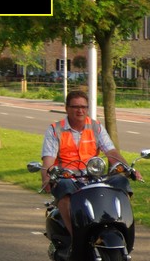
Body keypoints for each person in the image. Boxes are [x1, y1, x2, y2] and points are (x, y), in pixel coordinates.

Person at [41, 90, 139, 247]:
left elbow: (111, 152)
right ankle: (76, 239)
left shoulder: (95, 127)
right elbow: (48, 160)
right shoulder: (55, 129)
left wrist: (128, 168)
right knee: (65, 189)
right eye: (75, 107)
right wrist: (46, 177)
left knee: (121, 183)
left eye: (83, 107)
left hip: (94, 177)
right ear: (66, 108)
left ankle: (122, 229)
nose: (80, 110)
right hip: (67, 177)